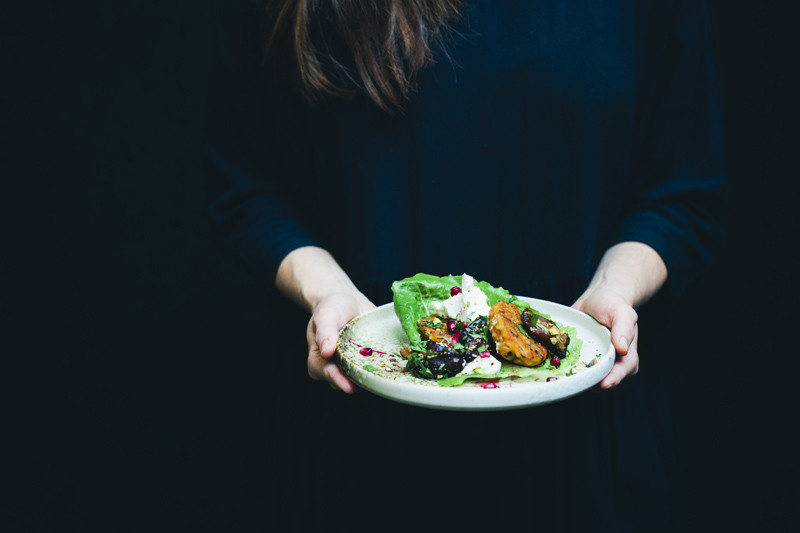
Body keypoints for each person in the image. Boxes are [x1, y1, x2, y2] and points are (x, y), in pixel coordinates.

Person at [205, 0, 727, 531]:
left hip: (583, 441)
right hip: (357, 437)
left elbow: (681, 192)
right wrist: (324, 291)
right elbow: (244, 184)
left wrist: (616, 290)